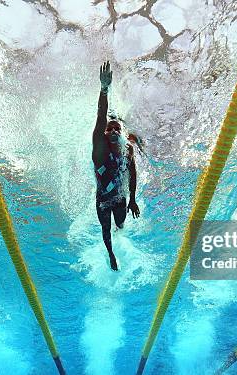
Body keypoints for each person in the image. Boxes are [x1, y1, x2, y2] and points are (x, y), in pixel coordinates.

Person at [92, 61, 142, 271]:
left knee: (120, 224)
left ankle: (119, 232)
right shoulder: (99, 147)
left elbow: (132, 172)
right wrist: (104, 90)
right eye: (109, 129)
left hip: (121, 198)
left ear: (121, 133)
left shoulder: (127, 149)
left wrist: (132, 199)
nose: (112, 131)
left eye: (116, 129)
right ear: (104, 133)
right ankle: (111, 254)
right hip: (103, 199)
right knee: (105, 229)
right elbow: (101, 115)